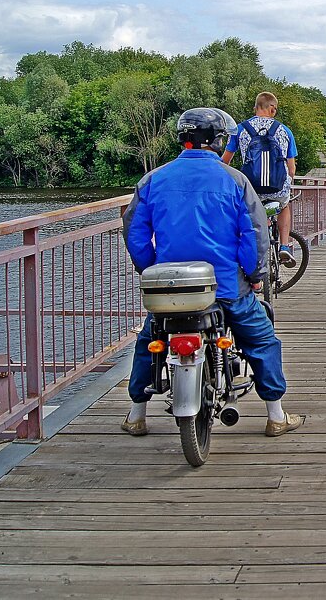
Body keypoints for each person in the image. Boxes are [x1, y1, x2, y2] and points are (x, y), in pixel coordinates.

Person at [121, 107, 304, 437]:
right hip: (225, 284)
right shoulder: (234, 180)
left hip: (170, 285)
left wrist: (149, 269)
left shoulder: (153, 179)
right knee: (262, 340)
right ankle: (276, 415)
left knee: (150, 338)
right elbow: (254, 233)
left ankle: (136, 414)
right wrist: (254, 274)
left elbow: (134, 230)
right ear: (219, 142)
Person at [222, 91, 299, 267]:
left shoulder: (239, 129)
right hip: (278, 188)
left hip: (251, 187)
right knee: (284, 205)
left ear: (255, 107)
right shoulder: (284, 130)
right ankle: (285, 246)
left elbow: (225, 162)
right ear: (273, 109)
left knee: (249, 211)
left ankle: (255, 247)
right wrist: (286, 181)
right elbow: (292, 169)